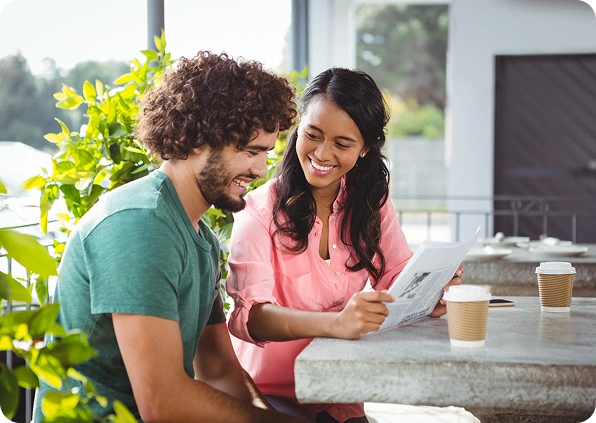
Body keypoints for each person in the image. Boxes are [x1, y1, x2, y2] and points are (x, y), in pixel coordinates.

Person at [33, 51, 306, 423]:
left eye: (265, 154)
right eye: (249, 151)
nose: (260, 169)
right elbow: (163, 402)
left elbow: (218, 371)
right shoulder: (140, 225)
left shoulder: (202, 242)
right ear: (198, 140)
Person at [226, 67, 464, 423]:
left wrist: (432, 288)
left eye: (342, 144)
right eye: (313, 135)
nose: (323, 153)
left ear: (365, 148)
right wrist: (336, 322)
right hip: (271, 395)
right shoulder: (258, 212)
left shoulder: (370, 203)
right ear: (297, 131)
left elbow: (395, 278)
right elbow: (251, 317)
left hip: (342, 392)